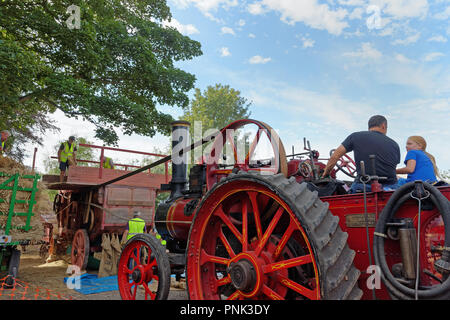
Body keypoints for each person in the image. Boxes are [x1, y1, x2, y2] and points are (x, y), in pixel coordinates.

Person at [322, 115, 401, 193]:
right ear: (383, 126)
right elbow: (392, 168)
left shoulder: (355, 136)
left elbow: (335, 156)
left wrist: (325, 175)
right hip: (391, 189)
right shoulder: (395, 145)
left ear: (369, 126)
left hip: (363, 186)